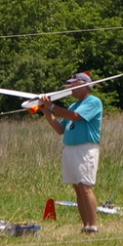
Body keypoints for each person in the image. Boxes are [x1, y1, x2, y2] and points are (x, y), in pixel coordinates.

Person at [39, 72, 104, 234]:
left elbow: (75, 117)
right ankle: (86, 225)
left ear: (83, 85)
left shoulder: (93, 102)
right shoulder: (73, 105)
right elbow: (61, 129)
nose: (70, 90)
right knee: (77, 188)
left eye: (73, 85)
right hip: (70, 149)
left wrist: (52, 106)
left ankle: (93, 225)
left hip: (85, 148)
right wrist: (45, 110)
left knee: (85, 186)